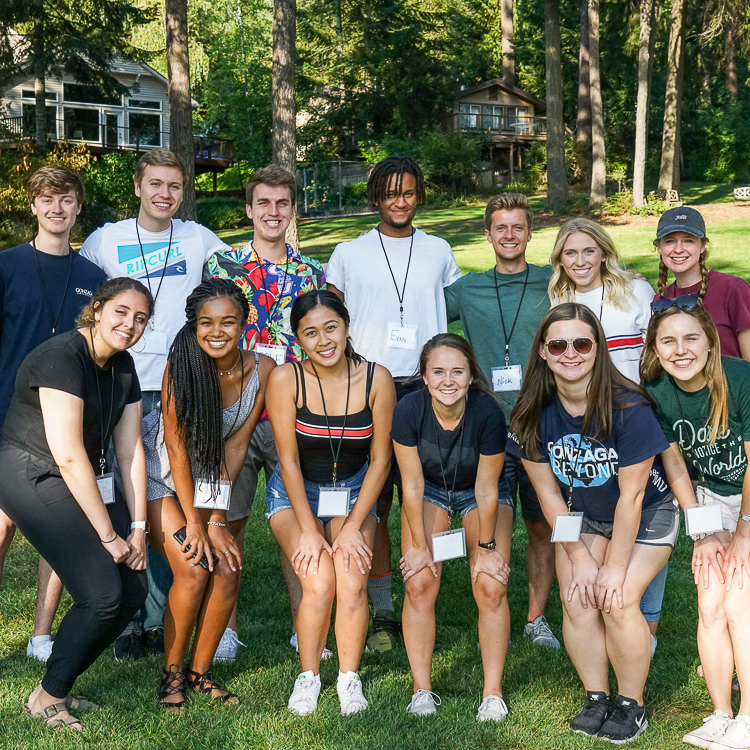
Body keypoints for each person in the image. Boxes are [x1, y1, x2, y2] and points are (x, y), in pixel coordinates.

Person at [81, 148, 232, 661]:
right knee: (124, 501)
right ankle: (132, 617)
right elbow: (86, 302)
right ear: (139, 187)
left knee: (167, 499)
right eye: (156, 185)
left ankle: (164, 612)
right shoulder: (106, 239)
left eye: (174, 186)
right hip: (118, 381)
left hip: (178, 387)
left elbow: (245, 276)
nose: (165, 195)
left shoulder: (199, 238)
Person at [507, 303, 678, 744]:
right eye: (558, 344)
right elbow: (548, 494)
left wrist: (614, 567)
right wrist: (579, 556)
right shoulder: (532, 413)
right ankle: (596, 696)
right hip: (582, 515)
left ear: (598, 349)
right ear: (543, 352)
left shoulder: (629, 407)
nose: (570, 353)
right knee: (579, 596)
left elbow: (633, 497)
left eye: (581, 343)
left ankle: (631, 704)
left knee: (616, 598)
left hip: (646, 512)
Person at [0, 277, 153, 730]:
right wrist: (108, 535)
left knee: (133, 589)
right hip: (31, 470)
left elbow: (130, 451)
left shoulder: (124, 366)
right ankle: (47, 696)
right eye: (121, 312)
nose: (129, 324)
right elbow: (66, 454)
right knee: (102, 594)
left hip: (78, 474)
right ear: (98, 309)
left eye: (140, 318)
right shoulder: (60, 357)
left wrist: (139, 526)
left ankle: (56, 686)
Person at [327, 156, 461, 651]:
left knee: (423, 492)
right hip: (368, 385)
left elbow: (455, 305)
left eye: (408, 192)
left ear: (418, 195)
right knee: (372, 496)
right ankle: (381, 604)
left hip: (429, 387)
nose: (399, 201)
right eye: (389, 193)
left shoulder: (440, 250)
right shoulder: (347, 252)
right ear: (375, 197)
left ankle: (419, 587)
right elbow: (329, 315)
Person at [128, 278, 273, 709]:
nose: (217, 331)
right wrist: (195, 522)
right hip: (160, 476)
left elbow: (235, 446)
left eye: (228, 322)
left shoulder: (262, 370)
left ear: (245, 323)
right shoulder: (183, 364)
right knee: (193, 569)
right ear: (193, 326)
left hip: (208, 477)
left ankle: (200, 671)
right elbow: (174, 446)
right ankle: (172, 673)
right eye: (206, 322)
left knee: (226, 567)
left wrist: (215, 520)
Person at [207, 164, 326, 661]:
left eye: (282, 203)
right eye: (263, 203)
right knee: (226, 523)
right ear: (250, 209)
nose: (272, 212)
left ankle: (305, 624)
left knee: (298, 524)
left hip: (291, 415)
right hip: (230, 413)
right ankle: (226, 628)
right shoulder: (223, 265)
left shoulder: (311, 274)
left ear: (291, 209)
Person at [265, 290, 395, 715]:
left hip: (355, 493)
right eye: (310, 333)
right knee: (318, 584)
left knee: (353, 581)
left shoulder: (377, 379)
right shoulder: (287, 379)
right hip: (296, 493)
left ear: (346, 325)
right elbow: (286, 461)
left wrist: (356, 524)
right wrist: (307, 530)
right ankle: (309, 676)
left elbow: (380, 460)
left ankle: (348, 678)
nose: (323, 340)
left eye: (330, 327)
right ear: (298, 339)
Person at [0, 165, 107, 663]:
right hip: (8, 416)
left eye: (65, 200)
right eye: (47, 199)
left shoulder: (92, 278)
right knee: (1, 529)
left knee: (58, 530)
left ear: (78, 207)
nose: (56, 208)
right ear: (34, 206)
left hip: (68, 419)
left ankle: (42, 635)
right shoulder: (7, 266)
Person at [444, 193, 560, 650]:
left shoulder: (555, 282)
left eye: (518, 227)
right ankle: (489, 602)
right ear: (487, 234)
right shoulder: (467, 289)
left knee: (542, 525)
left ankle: (535, 617)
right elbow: (414, 309)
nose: (509, 235)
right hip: (487, 424)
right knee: (489, 519)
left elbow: (601, 284)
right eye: (500, 227)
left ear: (530, 234)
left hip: (542, 419)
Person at [548, 217, 666, 655]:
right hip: (584, 425)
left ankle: (645, 621)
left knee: (647, 507)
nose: (580, 261)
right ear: (559, 258)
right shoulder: (558, 298)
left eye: (588, 251)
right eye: (570, 253)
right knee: (603, 504)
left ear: (604, 252)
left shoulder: (634, 292)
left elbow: (655, 351)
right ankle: (598, 611)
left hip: (633, 419)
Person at [640, 299, 750, 750]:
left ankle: (747, 718)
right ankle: (720, 711)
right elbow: (677, 467)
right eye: (668, 340)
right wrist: (703, 532)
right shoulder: (657, 390)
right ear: (655, 348)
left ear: (710, 343)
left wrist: (743, 531)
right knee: (710, 604)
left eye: (690, 338)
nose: (679, 349)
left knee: (739, 603)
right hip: (708, 497)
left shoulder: (740, 377)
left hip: (746, 496)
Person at [393, 334, 512, 721]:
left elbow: (487, 487)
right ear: (424, 377)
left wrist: (488, 547)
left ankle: (492, 693)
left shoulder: (488, 413)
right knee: (420, 581)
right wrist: (416, 545)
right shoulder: (408, 410)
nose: (448, 380)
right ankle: (421, 689)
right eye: (438, 371)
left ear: (471, 375)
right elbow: (411, 484)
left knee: (490, 584)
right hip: (427, 490)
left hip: (478, 493)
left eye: (457, 371)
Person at [654, 205, 750, 360]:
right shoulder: (660, 300)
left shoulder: (733, 289)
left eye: (688, 240)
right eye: (670, 241)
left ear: (702, 246)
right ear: (659, 248)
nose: (678, 249)